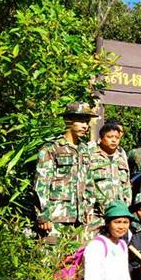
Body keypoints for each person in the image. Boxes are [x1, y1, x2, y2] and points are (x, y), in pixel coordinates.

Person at [34, 102, 98, 244]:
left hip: (79, 220)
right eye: (80, 120)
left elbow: (88, 183)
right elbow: (41, 184)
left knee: (75, 262)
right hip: (56, 217)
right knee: (51, 261)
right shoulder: (52, 148)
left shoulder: (84, 149)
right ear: (68, 121)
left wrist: (88, 208)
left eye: (86, 121)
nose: (85, 125)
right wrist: (43, 215)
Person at [84, 123, 132, 231]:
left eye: (117, 137)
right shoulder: (90, 155)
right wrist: (87, 209)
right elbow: (85, 184)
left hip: (117, 216)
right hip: (96, 215)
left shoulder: (121, 157)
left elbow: (126, 186)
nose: (114, 140)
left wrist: (126, 208)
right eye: (110, 137)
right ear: (101, 138)